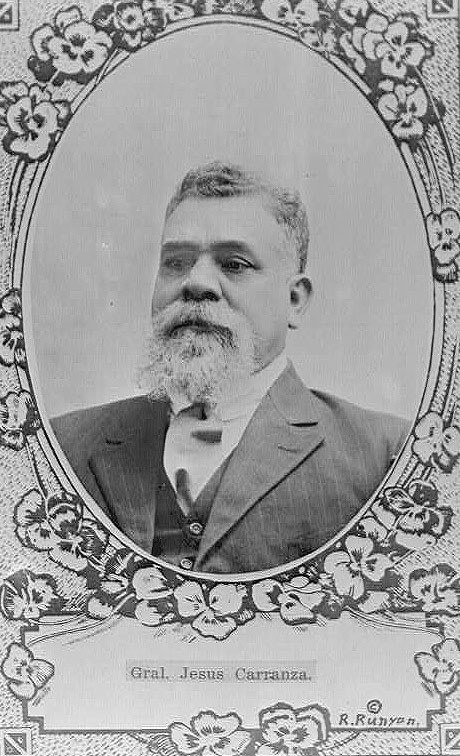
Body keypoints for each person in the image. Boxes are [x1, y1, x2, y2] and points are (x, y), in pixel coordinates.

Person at [52, 161, 409, 574]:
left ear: (294, 300)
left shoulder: (386, 456)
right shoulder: (64, 446)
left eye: (234, 264)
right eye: (176, 262)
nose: (196, 283)